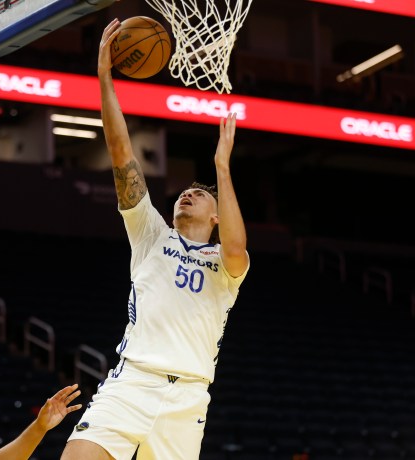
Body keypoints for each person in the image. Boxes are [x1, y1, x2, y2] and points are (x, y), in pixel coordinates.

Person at [60, 18, 250, 460]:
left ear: (217, 215)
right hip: (132, 383)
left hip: (186, 400)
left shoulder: (227, 265)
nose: (188, 193)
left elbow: (238, 248)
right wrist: (105, 77)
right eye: (185, 191)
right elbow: (120, 151)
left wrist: (222, 167)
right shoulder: (150, 233)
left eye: (200, 194)